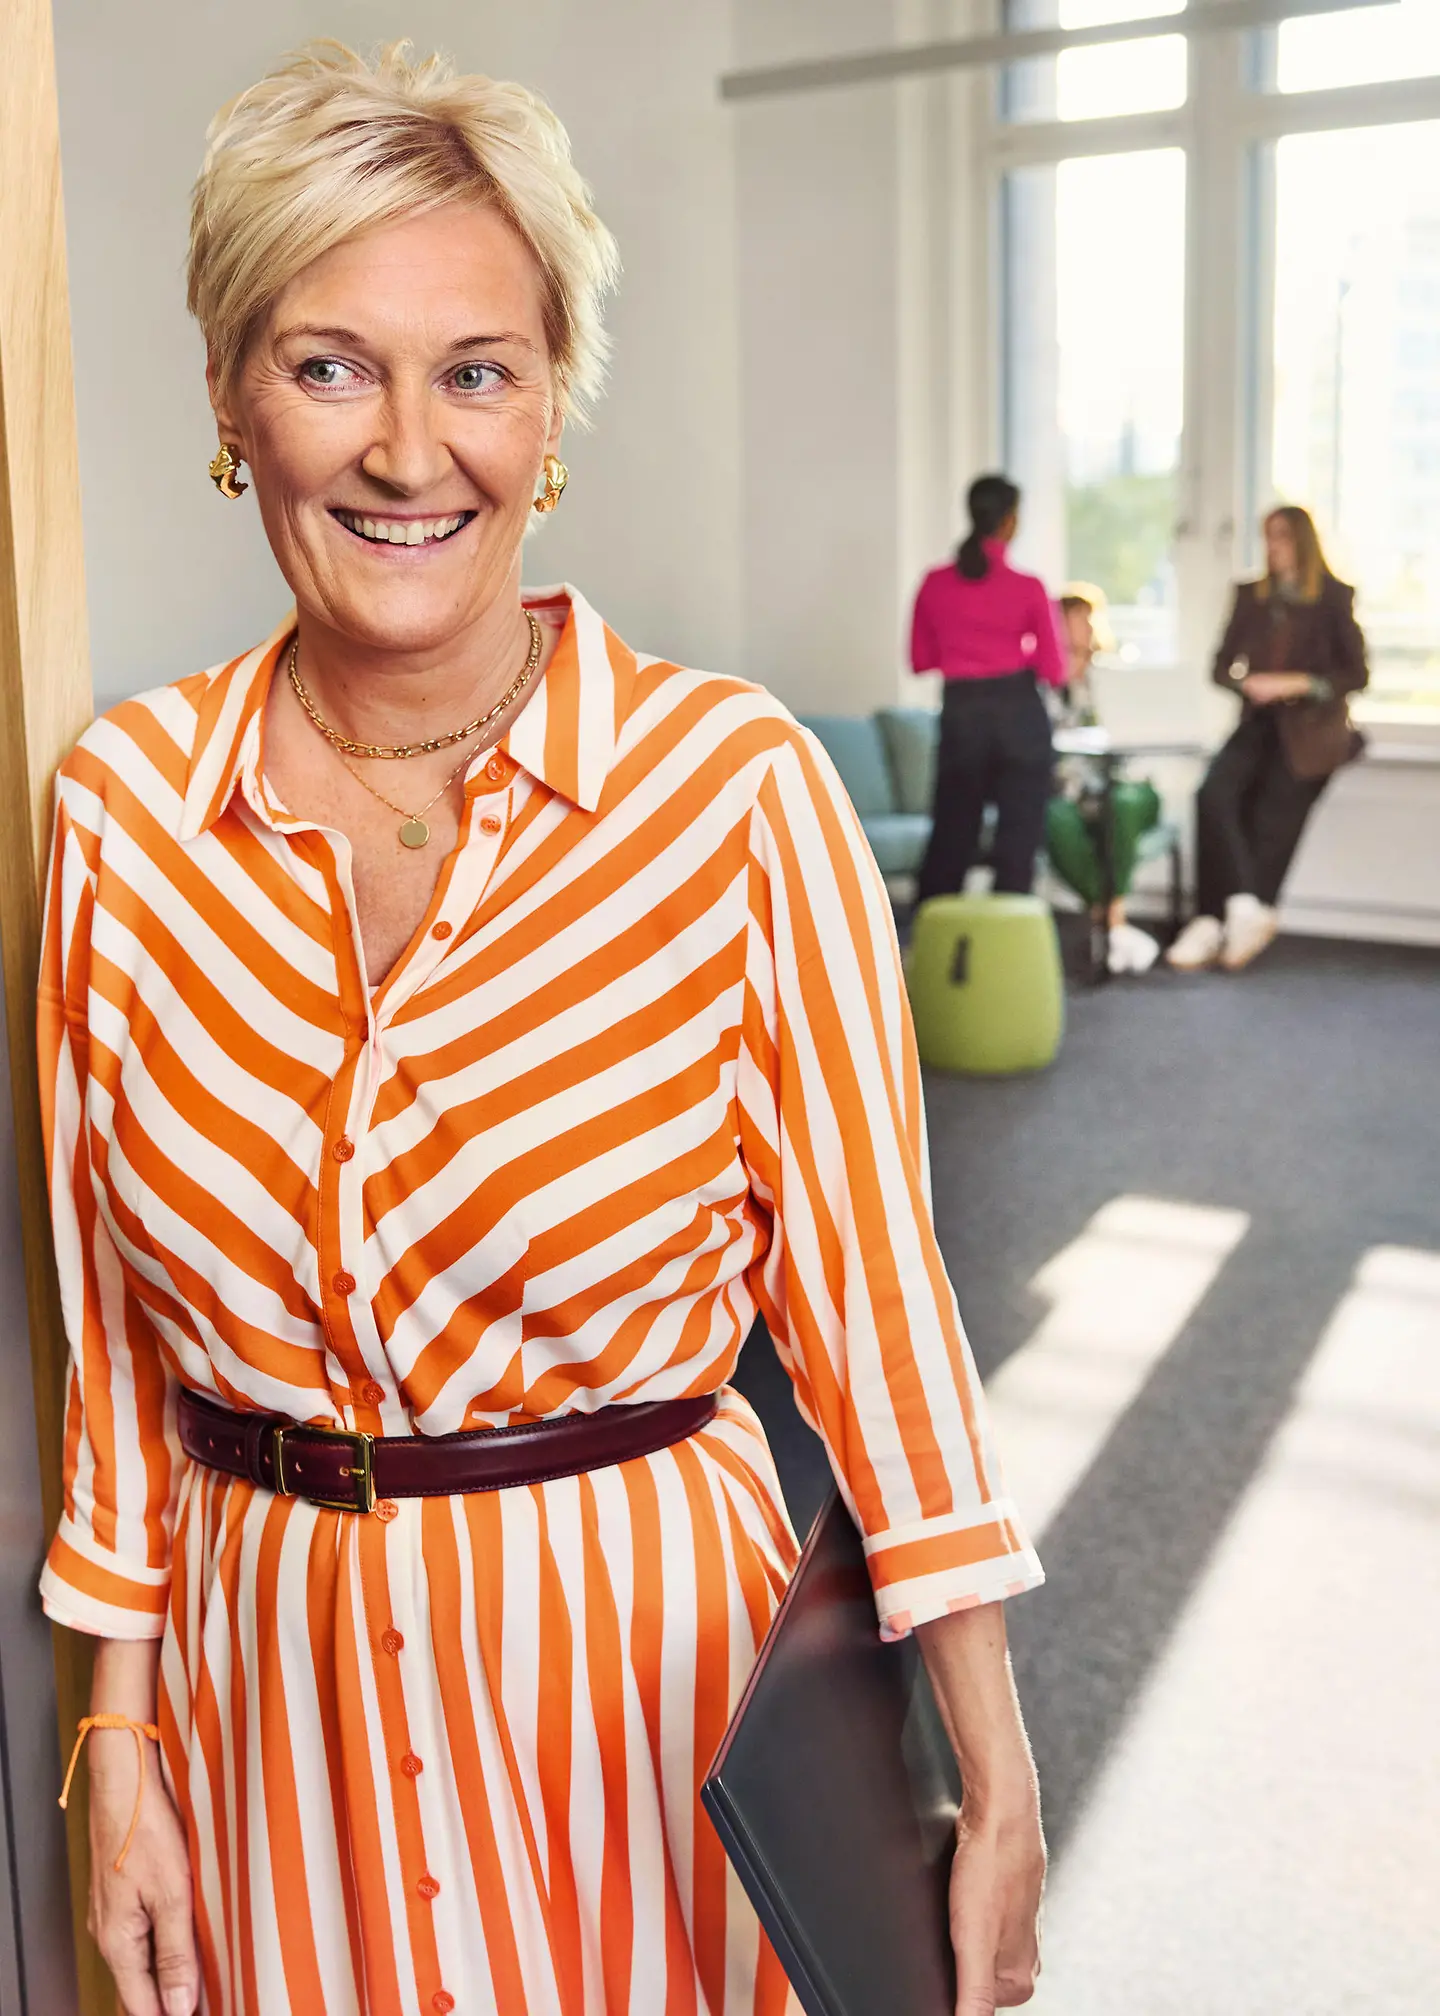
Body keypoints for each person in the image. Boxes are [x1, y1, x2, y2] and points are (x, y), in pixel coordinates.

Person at [38, 43, 1046, 2016]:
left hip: (658, 1717)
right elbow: (113, 1361)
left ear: (552, 405)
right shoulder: (123, 816)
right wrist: (119, 1747)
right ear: (235, 400)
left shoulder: (730, 794)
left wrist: (990, 1775)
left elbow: (876, 1318)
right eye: (332, 365)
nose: (411, 451)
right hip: (274, 1723)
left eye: (476, 370)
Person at [1167, 505, 1368, 972]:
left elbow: (1356, 673)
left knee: (1270, 824)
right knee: (1214, 796)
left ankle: (1235, 919)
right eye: (1267, 538)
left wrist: (1299, 683)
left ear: (1301, 541)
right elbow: (1220, 666)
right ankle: (1228, 915)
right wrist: (1248, 684)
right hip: (1258, 722)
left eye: (1281, 538)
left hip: (1308, 731)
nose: (1272, 548)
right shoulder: (1251, 596)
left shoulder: (1333, 598)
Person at [911, 474, 1066, 903]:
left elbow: (920, 660)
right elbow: (1055, 669)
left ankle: (930, 949)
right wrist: (1015, 658)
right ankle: (1006, 951)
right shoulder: (1029, 588)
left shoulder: (934, 584)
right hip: (1018, 713)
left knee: (951, 835)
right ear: (1010, 521)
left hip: (962, 714)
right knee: (1018, 839)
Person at [1045, 587, 1163, 975]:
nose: (1081, 628)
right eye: (1071, 619)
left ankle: (1110, 919)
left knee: (1122, 806)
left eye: (1086, 619)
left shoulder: (1112, 679)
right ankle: (1113, 920)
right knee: (1053, 818)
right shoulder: (1043, 686)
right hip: (1072, 793)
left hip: (1126, 783)